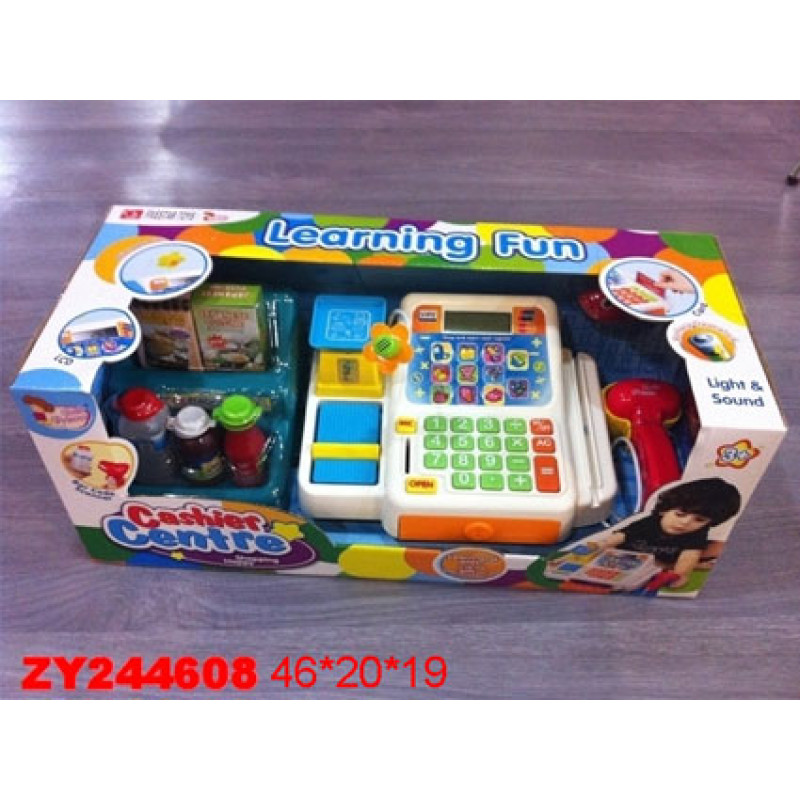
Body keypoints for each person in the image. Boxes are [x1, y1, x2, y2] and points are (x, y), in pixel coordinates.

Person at [591, 478, 742, 588]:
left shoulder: (697, 532)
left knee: (720, 547)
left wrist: (680, 575)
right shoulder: (650, 522)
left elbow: (689, 555)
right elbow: (621, 536)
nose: (685, 523)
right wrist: (602, 544)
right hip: (630, 556)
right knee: (611, 550)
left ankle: (674, 566)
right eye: (680, 515)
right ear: (665, 509)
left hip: (666, 559)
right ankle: (679, 565)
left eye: (699, 520)